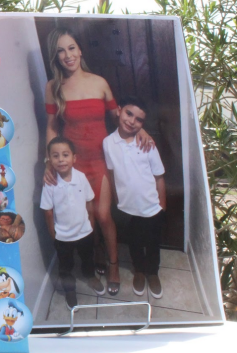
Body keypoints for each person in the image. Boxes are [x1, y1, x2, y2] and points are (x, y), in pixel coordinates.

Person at [43, 27, 155, 295]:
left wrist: (140, 128)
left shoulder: (99, 82)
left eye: (71, 48)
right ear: (56, 57)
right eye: (60, 51)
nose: (67, 55)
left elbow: (119, 116)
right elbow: (51, 127)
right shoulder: (53, 87)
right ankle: (95, 258)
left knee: (104, 215)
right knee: (87, 217)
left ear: (80, 50)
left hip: (101, 160)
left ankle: (113, 265)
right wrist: (48, 160)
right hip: (73, 164)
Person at [103, 98, 167, 299]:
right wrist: (115, 198)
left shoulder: (146, 143)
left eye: (139, 120)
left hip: (151, 205)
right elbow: (112, 173)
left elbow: (158, 176)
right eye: (129, 114)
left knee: (153, 241)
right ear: (119, 111)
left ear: (143, 124)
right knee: (134, 241)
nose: (132, 121)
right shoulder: (108, 143)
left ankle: (152, 272)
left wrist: (162, 204)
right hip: (127, 206)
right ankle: (139, 271)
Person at [40, 137, 108, 307]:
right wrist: (53, 233)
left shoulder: (81, 177)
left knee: (87, 257)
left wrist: (91, 224)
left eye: (65, 155)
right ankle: (70, 291)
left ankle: (90, 277)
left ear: (74, 158)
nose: (61, 159)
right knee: (65, 266)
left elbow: (89, 201)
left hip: (84, 231)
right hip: (62, 236)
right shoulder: (50, 183)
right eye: (55, 156)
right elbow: (48, 211)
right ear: (49, 159)